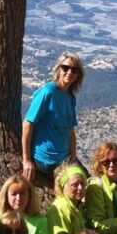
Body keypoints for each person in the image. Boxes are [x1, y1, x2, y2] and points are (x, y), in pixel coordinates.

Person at [22, 52, 83, 184]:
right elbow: (27, 124)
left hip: (65, 157)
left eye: (74, 70)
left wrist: (73, 158)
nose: (69, 72)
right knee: (75, 186)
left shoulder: (70, 97)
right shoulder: (47, 92)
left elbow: (70, 130)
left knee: (90, 182)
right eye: (65, 68)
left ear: (78, 74)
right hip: (47, 160)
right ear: (58, 69)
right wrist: (26, 160)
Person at [45, 163, 88, 234]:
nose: (80, 188)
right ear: (63, 186)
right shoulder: (60, 209)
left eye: (82, 184)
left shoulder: (78, 206)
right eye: (75, 184)